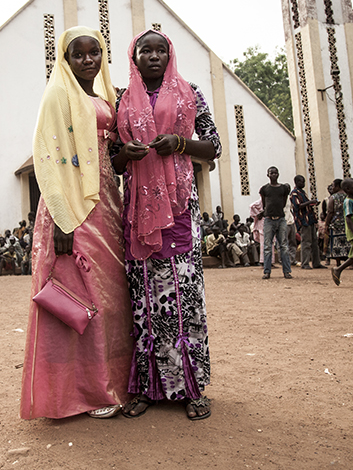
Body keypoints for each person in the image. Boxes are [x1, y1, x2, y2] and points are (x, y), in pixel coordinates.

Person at [20, 26, 132, 421]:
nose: (88, 60)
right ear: (65, 60)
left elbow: (109, 151)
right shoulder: (57, 95)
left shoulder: (104, 96)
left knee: (112, 297)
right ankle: (83, 392)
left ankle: (115, 383)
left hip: (105, 202)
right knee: (81, 299)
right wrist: (63, 222)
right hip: (72, 210)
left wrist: (126, 155)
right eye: (78, 54)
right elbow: (46, 158)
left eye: (94, 53)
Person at [112, 29, 220, 420]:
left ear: (170, 54)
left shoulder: (189, 92)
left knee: (182, 293)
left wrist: (179, 143)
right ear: (134, 56)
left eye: (161, 50)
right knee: (143, 300)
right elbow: (113, 161)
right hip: (138, 210)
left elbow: (214, 146)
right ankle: (147, 388)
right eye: (146, 50)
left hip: (178, 208)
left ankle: (192, 389)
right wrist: (125, 153)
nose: (154, 56)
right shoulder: (122, 100)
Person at [259, 166, 292, 279]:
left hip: (281, 219)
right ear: (268, 175)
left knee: (283, 245)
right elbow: (264, 203)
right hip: (269, 219)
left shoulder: (283, 188)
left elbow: (283, 202)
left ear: (278, 174)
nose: (273, 175)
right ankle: (267, 271)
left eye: (275, 173)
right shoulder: (264, 189)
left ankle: (286, 271)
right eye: (271, 173)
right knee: (268, 246)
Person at [290, 175, 325, 270]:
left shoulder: (302, 193)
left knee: (314, 242)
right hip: (303, 221)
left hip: (310, 219)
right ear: (296, 182)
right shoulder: (294, 194)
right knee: (306, 242)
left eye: (304, 182)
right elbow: (298, 206)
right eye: (301, 182)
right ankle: (305, 263)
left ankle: (316, 262)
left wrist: (313, 203)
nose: (303, 184)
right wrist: (310, 202)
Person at [325, 179, 352, 267]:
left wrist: (326, 224)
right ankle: (351, 263)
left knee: (336, 243)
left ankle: (338, 263)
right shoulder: (349, 196)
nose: (332, 188)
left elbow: (330, 212)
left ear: (337, 186)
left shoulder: (333, 197)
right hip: (348, 223)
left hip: (336, 224)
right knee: (349, 243)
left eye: (333, 186)